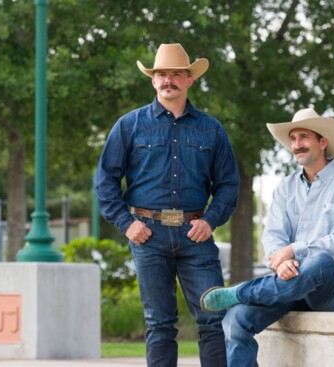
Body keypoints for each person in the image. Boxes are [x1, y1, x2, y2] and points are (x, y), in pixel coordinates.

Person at [95, 43, 240, 367]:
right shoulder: (129, 126)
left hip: (196, 234)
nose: (168, 80)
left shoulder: (211, 129)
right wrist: (126, 223)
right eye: (161, 74)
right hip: (148, 235)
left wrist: (211, 220)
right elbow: (105, 181)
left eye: (176, 74)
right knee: (159, 324)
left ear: (189, 80)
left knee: (213, 317)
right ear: (153, 80)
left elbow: (229, 183)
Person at [199, 108, 334, 366]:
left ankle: (241, 291)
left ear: (322, 142)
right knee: (234, 321)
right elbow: (273, 237)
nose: (296, 145)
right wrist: (281, 262)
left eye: (304, 137)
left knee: (321, 261)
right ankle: (242, 297)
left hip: (329, 288)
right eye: (293, 139)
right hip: (286, 282)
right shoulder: (284, 188)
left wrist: (293, 251)